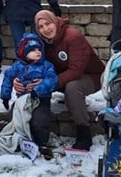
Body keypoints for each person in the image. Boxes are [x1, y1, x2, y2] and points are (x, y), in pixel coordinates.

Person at [34, 9, 104, 150]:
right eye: (41, 27)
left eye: (48, 24)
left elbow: (76, 71)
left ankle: (84, 133)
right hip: (63, 76)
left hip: (91, 75)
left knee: (72, 88)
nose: (45, 29)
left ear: (54, 21)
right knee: (37, 82)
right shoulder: (42, 43)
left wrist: (51, 83)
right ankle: (36, 129)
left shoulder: (72, 37)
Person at [0, 33, 58, 159]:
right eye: (32, 50)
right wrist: (5, 95)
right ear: (24, 53)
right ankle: (18, 141)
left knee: (39, 120)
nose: (37, 52)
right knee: (14, 119)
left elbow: (51, 80)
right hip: (22, 101)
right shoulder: (17, 66)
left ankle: (41, 143)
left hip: (40, 100)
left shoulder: (47, 66)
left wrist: (37, 90)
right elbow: (8, 77)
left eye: (38, 49)